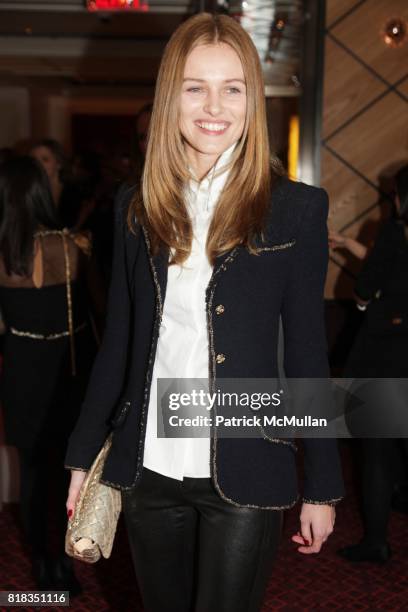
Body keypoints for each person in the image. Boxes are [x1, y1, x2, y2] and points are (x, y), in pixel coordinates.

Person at [65, 12, 344, 612]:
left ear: (252, 100)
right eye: (196, 87)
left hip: (246, 461)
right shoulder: (135, 206)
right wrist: (82, 456)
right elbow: (121, 340)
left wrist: (322, 485)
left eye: (232, 88)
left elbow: (305, 353)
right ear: (172, 97)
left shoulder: (295, 209)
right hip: (150, 464)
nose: (213, 105)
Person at [0, 156, 99, 593]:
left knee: (33, 472)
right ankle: (64, 562)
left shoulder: (4, 255)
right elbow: (101, 310)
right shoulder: (73, 245)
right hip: (68, 370)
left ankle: (44, 565)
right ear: (41, 191)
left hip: (22, 370)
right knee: (68, 470)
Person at [336, 164, 408, 563]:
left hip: (388, 354)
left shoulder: (396, 232)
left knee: (378, 451)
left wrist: (368, 303)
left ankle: (377, 542)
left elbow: (367, 288)